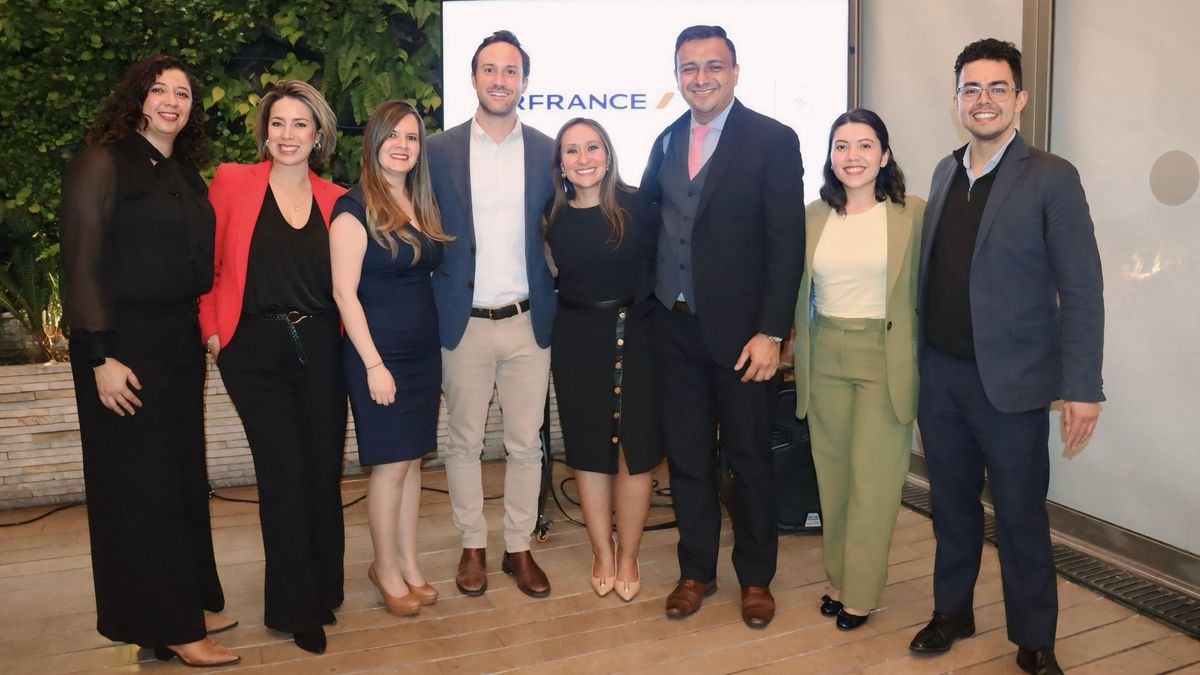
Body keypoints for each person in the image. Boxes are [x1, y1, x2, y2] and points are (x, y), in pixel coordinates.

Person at [908, 39, 1103, 675]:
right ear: (956, 99)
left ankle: (1035, 640)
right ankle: (953, 610)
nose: (983, 100)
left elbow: (1081, 290)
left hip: (1012, 385)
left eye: (997, 88)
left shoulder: (1052, 177)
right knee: (952, 505)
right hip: (941, 376)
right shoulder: (942, 172)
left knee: (1020, 515)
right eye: (971, 88)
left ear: (1019, 99)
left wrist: (1082, 386)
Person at [59, 54, 239, 667]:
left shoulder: (183, 172)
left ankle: (187, 601)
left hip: (177, 345)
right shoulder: (102, 162)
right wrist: (99, 357)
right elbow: (81, 264)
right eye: (158, 90)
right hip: (123, 348)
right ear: (135, 98)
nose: (171, 100)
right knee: (143, 492)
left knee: (182, 480)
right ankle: (169, 626)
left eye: (183, 93)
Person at [640, 25, 805, 629]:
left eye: (713, 66)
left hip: (744, 339)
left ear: (734, 72)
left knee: (750, 459)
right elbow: (656, 221)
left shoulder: (772, 140)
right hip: (673, 330)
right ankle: (696, 571)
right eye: (689, 68)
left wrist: (772, 331)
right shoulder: (664, 139)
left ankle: (756, 579)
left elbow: (788, 245)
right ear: (676, 75)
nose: (701, 78)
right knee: (685, 458)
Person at [197, 80, 348, 655]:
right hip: (253, 349)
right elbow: (205, 265)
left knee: (320, 472)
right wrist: (213, 332)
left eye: (300, 125)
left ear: (318, 135)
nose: (288, 135)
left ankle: (323, 590)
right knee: (284, 473)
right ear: (265, 132)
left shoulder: (337, 198)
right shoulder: (234, 182)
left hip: (321, 349)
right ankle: (294, 608)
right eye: (278, 123)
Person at [426, 30, 556, 599]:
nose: (500, 79)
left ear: (524, 82)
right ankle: (473, 545)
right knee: (463, 443)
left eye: (510, 71)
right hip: (463, 319)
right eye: (489, 69)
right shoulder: (437, 150)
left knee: (528, 444)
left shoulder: (552, 151)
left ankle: (518, 548)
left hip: (531, 322)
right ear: (473, 77)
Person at [792, 109, 925, 631]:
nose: (853, 156)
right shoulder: (811, 217)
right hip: (824, 352)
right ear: (830, 157)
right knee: (835, 477)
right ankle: (839, 578)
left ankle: (861, 593)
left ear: (885, 155)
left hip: (884, 357)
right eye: (842, 146)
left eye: (865, 145)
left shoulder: (913, 214)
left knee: (875, 479)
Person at [330, 100, 453, 617]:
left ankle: (409, 564)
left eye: (411, 137)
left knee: (410, 462)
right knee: (389, 469)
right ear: (374, 141)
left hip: (422, 354)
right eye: (392, 135)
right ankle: (384, 568)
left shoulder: (420, 203)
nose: (402, 145)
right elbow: (343, 293)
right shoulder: (352, 208)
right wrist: (374, 364)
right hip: (378, 356)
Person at [544, 118, 663, 602]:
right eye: (571, 151)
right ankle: (601, 551)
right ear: (561, 164)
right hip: (576, 341)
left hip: (639, 337)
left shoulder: (640, 207)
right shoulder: (549, 219)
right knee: (589, 453)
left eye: (592, 147)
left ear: (608, 154)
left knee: (632, 455)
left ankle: (630, 553)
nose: (584, 157)